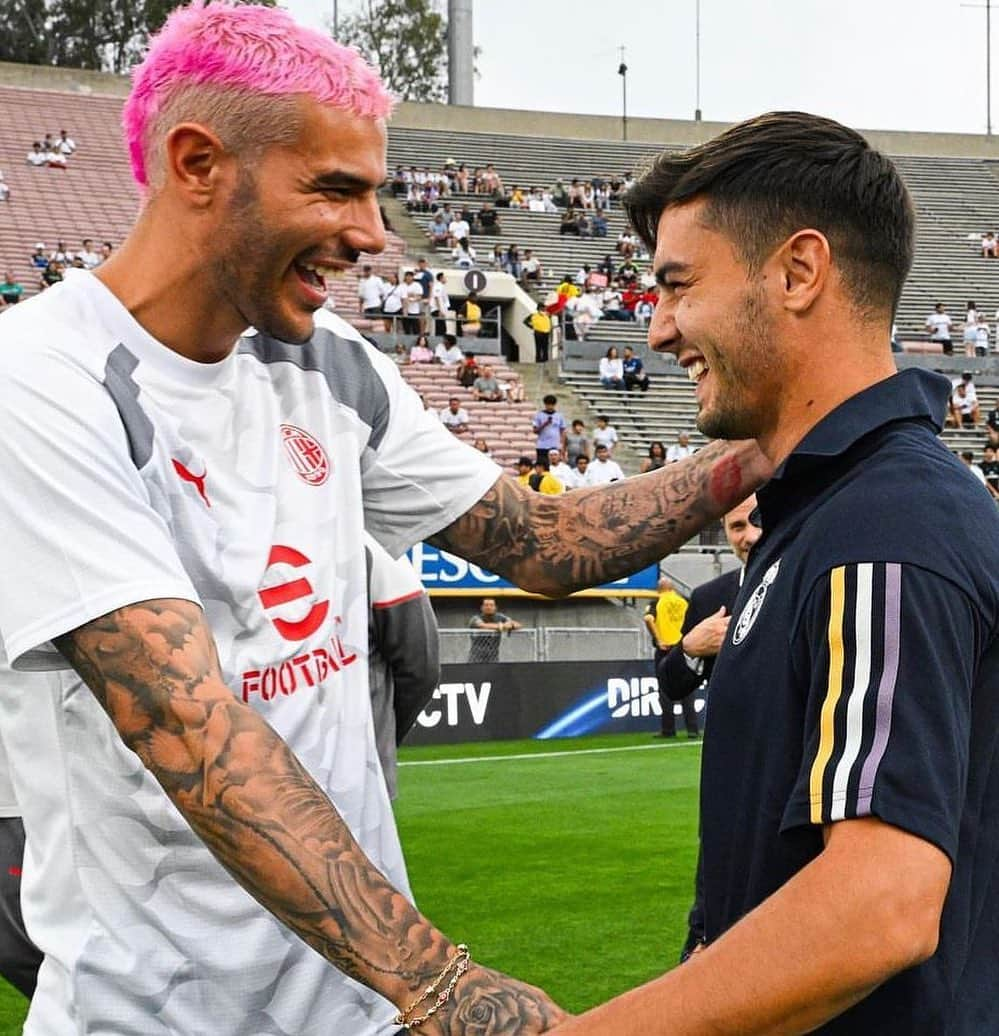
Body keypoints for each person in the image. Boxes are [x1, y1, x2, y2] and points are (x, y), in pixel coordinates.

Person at [0, 7, 767, 1032]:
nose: (371, 234)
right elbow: (190, 725)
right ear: (196, 163)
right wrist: (444, 986)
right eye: (335, 189)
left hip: (361, 1012)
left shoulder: (330, 362)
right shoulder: (41, 382)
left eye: (375, 192)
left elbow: (539, 546)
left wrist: (761, 451)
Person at [552, 111, 999, 1036]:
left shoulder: (887, 524)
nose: (659, 331)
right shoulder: (830, 508)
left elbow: (878, 904)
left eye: (678, 287)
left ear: (798, 272)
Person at [658, 494, 762, 961]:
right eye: (737, 526)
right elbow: (671, 685)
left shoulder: (808, 579)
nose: (749, 536)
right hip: (729, 772)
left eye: (757, 522)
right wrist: (691, 648)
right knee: (717, 881)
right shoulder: (710, 598)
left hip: (795, 764)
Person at [365, 535, 439, 802]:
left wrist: (380, 735)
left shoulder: (370, 551)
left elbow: (419, 671)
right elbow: (421, 671)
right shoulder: (370, 549)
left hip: (356, 782)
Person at [643, 578, 692, 739]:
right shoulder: (683, 601)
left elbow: (648, 619)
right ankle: (693, 729)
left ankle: (668, 730)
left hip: (665, 650)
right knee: (687, 689)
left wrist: (658, 639)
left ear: (659, 589)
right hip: (682, 648)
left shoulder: (657, 601)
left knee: (665, 690)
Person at [467, 598, 521, 663]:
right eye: (486, 605)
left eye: (491, 605)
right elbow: (482, 625)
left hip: (493, 656)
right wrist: (501, 626)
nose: (489, 607)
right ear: (482, 608)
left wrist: (511, 625)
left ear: (495, 607)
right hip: (476, 656)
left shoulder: (500, 617)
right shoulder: (475, 618)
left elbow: (518, 625)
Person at [532, 394, 567, 467]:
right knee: (542, 466)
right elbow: (535, 431)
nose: (550, 407)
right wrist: (545, 424)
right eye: (548, 405)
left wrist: (562, 445)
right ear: (545, 404)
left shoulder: (559, 416)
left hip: (555, 445)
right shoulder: (539, 415)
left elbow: (562, 431)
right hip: (542, 446)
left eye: (552, 405)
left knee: (555, 466)